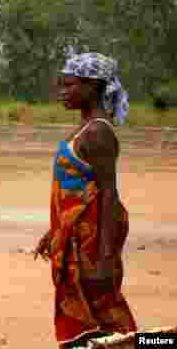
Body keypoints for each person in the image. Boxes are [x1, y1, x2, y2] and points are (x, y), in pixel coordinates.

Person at [34, 52, 137, 348]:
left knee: (110, 320)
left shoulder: (98, 134)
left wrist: (105, 259)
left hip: (91, 246)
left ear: (93, 87)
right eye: (61, 85)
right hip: (75, 240)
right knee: (91, 321)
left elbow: (108, 196)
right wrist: (55, 231)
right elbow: (77, 191)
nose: (61, 93)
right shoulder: (84, 128)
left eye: (70, 85)